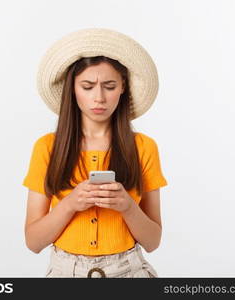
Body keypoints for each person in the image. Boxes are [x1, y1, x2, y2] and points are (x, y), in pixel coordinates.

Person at [22, 28, 168, 278]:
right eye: (88, 86)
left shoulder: (144, 147)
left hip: (129, 272)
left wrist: (127, 207)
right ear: (72, 89)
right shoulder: (47, 148)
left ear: (123, 87)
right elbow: (33, 242)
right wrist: (70, 204)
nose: (99, 97)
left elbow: (153, 241)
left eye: (109, 86)